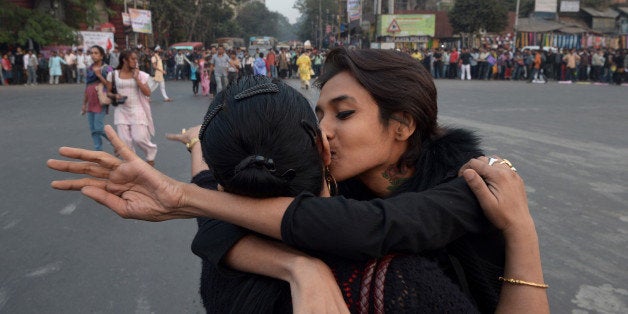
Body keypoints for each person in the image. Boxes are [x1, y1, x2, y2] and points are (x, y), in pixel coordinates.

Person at [49, 49, 549, 313]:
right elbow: (220, 229)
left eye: (344, 113)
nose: (323, 131)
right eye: (319, 113)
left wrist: (521, 230)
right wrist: (298, 268)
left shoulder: (469, 184)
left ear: (402, 125)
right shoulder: (327, 181)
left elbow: (371, 226)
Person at [106, 50, 157, 166]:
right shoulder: (112, 74)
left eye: (136, 59)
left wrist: (137, 78)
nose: (136, 61)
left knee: (139, 138)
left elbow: (148, 92)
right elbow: (108, 92)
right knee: (125, 142)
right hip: (121, 110)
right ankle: (132, 165)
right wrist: (115, 95)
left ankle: (150, 153)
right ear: (124, 60)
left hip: (137, 109)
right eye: (133, 59)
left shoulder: (140, 75)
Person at [82, 45, 114, 151]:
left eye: (96, 53)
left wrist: (99, 75)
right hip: (91, 101)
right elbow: (87, 87)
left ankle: (115, 142)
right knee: (93, 130)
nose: (93, 55)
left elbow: (110, 86)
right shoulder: (89, 68)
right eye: (91, 53)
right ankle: (98, 152)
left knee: (99, 128)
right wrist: (84, 104)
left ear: (101, 56)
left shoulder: (107, 68)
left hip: (101, 100)